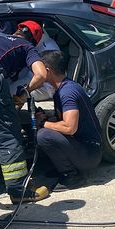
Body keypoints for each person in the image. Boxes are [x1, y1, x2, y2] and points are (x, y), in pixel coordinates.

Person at [0, 20, 47, 203]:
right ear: (35, 41)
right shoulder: (27, 46)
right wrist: (25, 92)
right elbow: (41, 74)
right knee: (8, 132)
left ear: (16, 29)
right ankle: (18, 189)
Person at [35, 50, 102, 188]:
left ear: (47, 70)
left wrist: (43, 123)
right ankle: (61, 167)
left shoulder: (67, 92)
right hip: (81, 147)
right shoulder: (62, 88)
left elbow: (70, 128)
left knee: (43, 135)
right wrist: (47, 118)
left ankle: (71, 176)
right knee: (44, 130)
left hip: (90, 153)